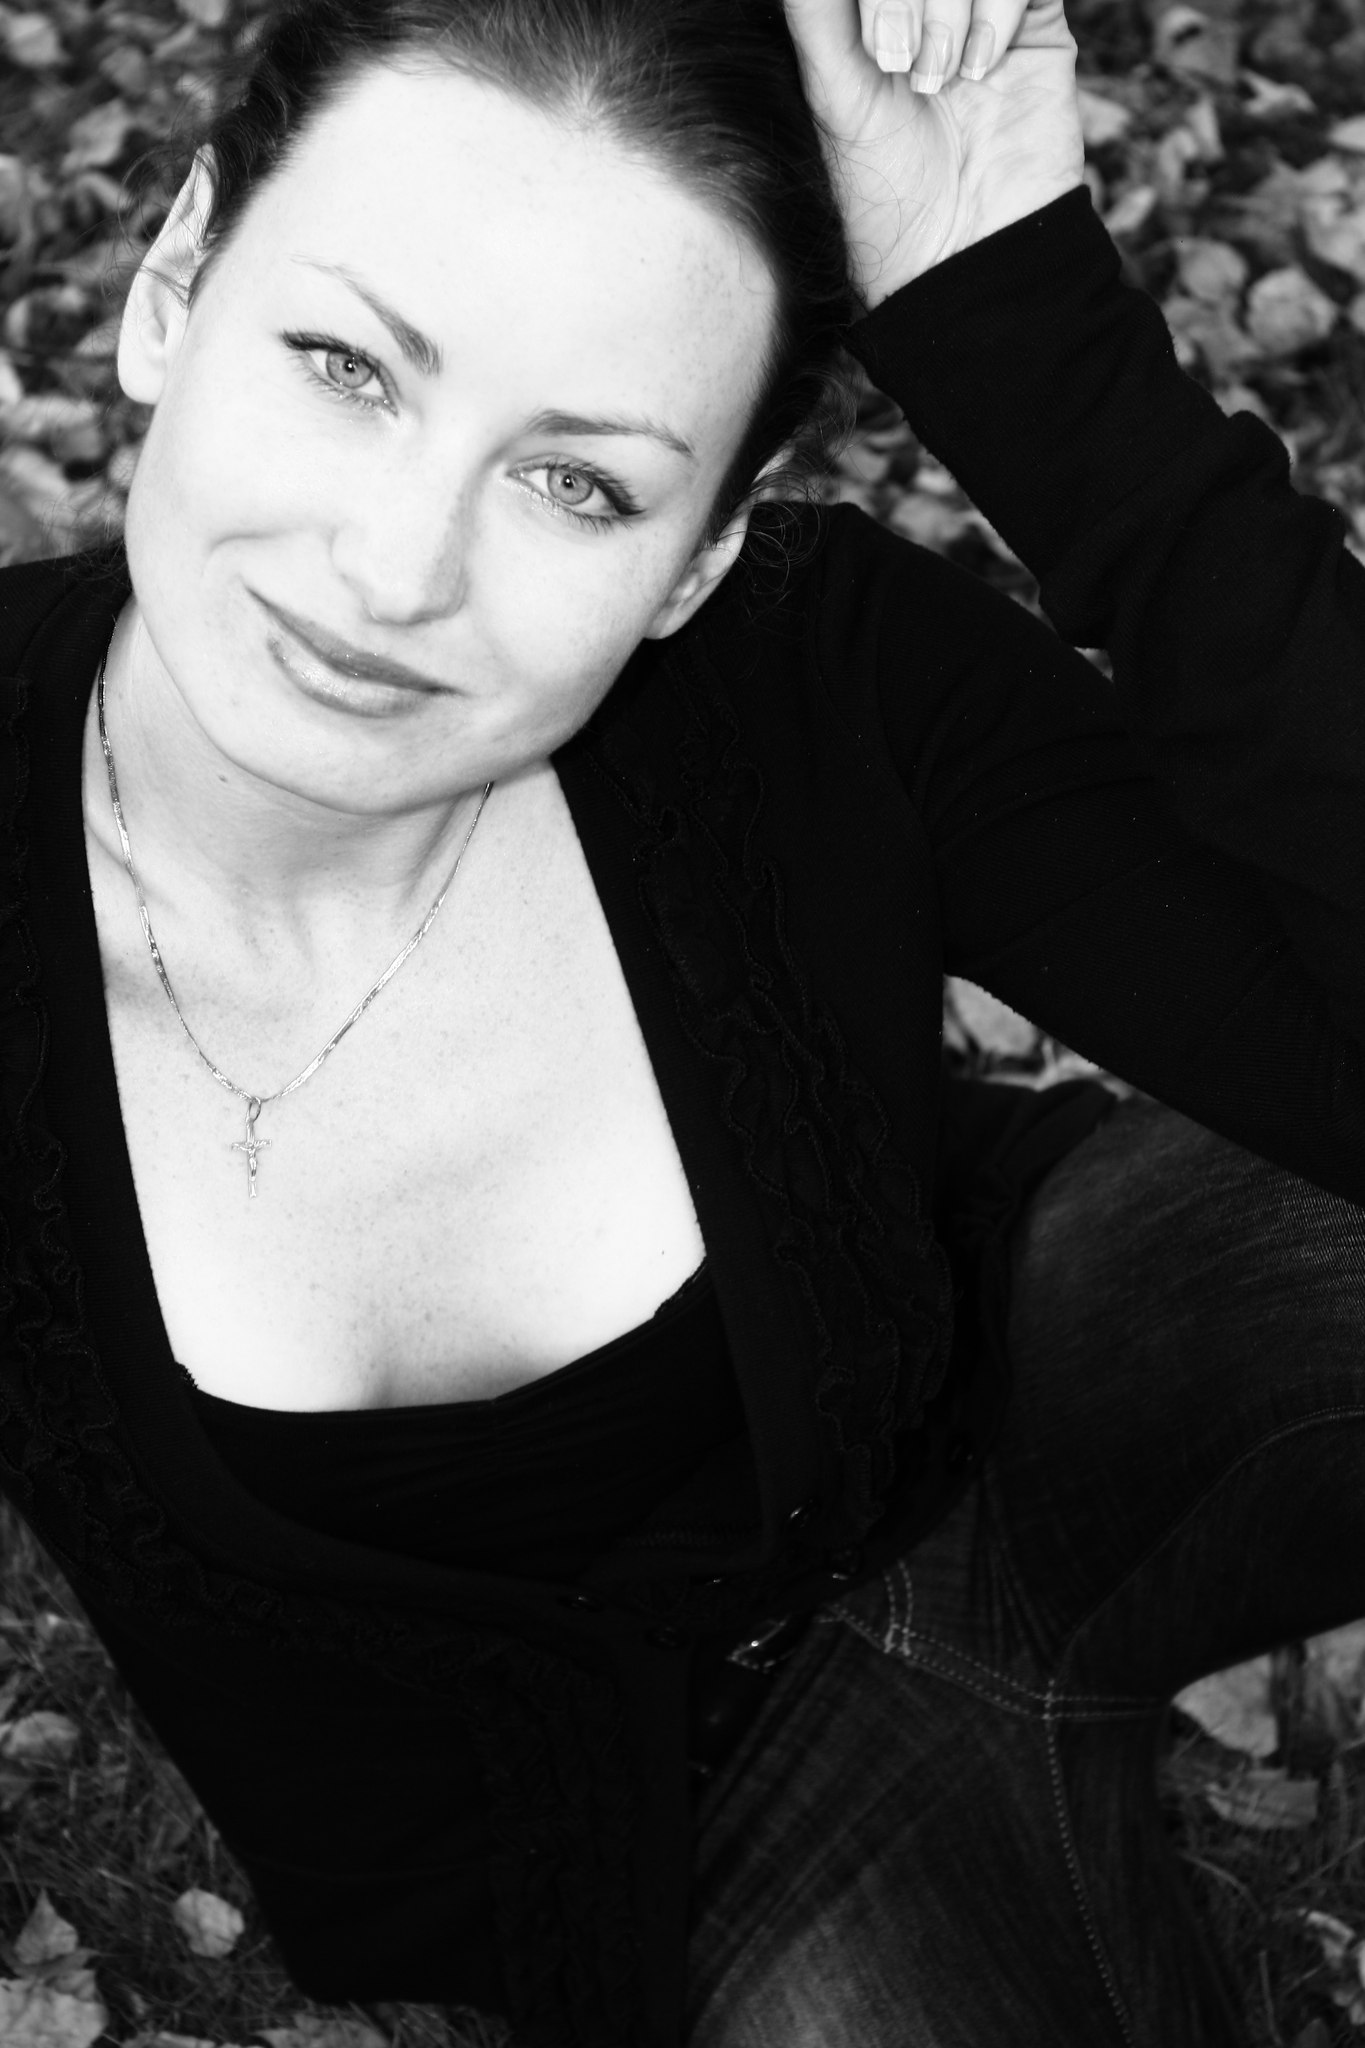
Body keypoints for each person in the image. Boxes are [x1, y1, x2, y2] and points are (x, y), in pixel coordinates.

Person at [0, 0, 1363, 2042]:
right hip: (689, 1845)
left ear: (698, 551)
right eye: (346, 367)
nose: (395, 569)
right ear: (175, 286)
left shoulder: (813, 673)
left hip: (1023, 1408)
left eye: (577, 482)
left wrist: (1025, 327)